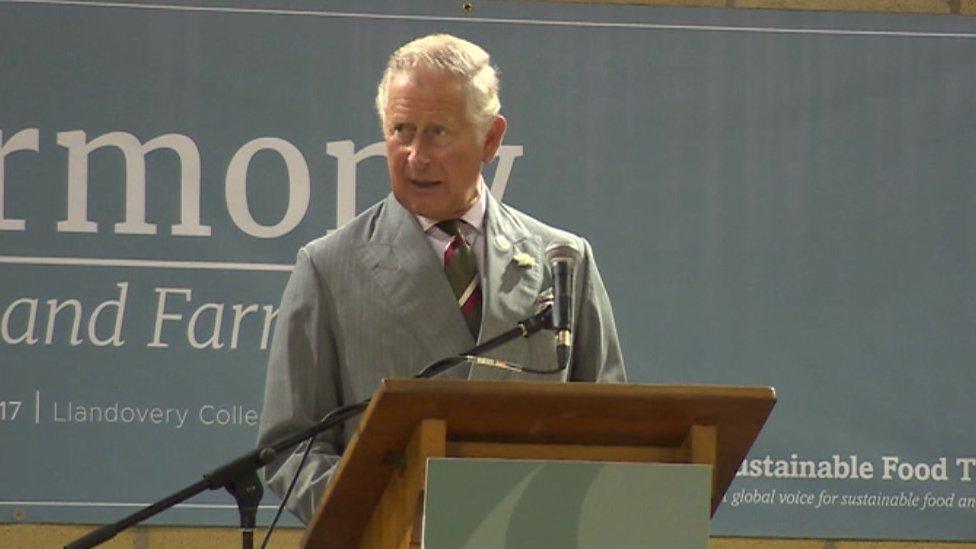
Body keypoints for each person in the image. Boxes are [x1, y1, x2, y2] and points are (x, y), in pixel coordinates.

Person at [257, 33, 626, 524]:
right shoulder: (329, 267)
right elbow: (290, 451)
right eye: (401, 130)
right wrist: (397, 512)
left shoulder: (564, 261)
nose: (415, 155)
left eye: (438, 133)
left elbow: (615, 431)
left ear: (491, 139)